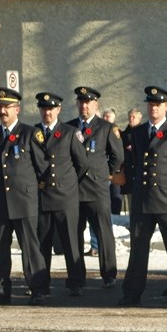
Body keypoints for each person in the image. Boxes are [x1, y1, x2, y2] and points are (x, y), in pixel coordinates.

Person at [119, 86, 167, 305]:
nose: (154, 108)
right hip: (143, 200)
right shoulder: (138, 132)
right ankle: (131, 293)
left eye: (158, 104)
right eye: (151, 104)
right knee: (138, 248)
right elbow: (132, 165)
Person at [0, 87, 48, 305]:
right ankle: (0, 291)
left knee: (30, 248)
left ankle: (37, 289)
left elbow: (42, 167)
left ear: (17, 109)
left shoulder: (29, 134)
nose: (2, 111)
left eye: (6, 107)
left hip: (24, 201)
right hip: (1, 202)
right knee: (0, 249)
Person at [67, 87, 123, 289]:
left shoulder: (106, 128)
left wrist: (104, 174)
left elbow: (118, 156)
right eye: (81, 102)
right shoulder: (70, 127)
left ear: (95, 105)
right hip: (74, 189)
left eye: (88, 102)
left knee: (103, 232)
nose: (84, 106)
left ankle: (109, 275)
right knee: (74, 235)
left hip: (97, 189)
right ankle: (76, 278)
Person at [35, 92, 89, 297]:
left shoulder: (69, 132)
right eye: (43, 108)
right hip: (42, 196)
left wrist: (68, 183)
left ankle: (75, 282)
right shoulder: (33, 132)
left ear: (58, 110)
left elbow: (82, 164)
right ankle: (41, 284)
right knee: (42, 243)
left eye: (51, 109)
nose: (47, 112)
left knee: (71, 242)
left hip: (65, 197)